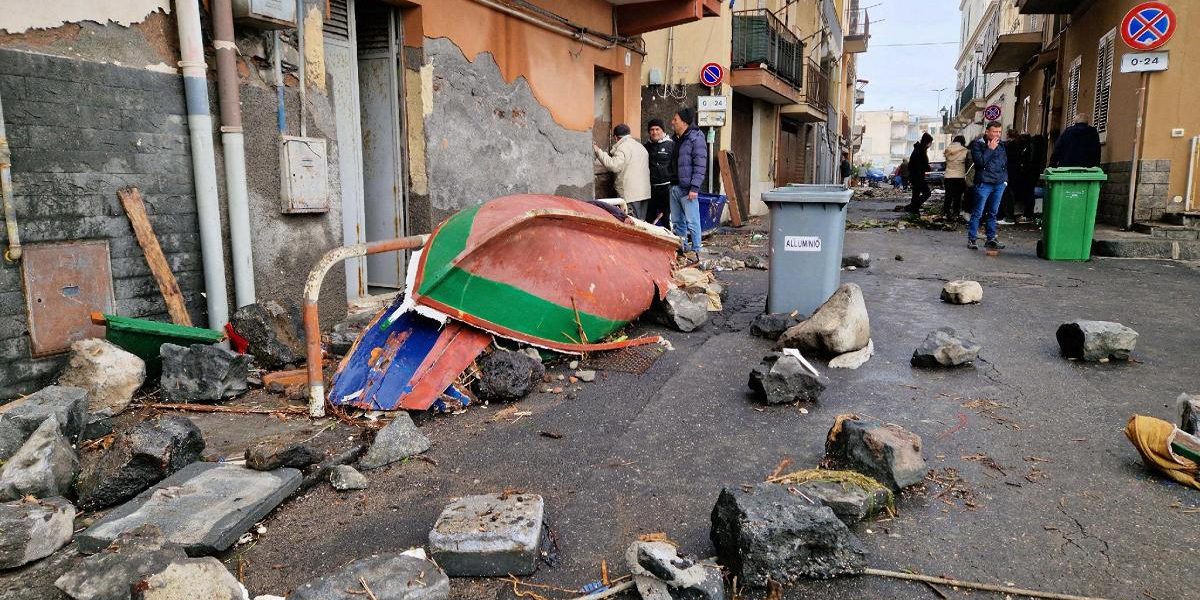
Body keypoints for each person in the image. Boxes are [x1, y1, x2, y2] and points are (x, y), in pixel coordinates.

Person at [668, 107, 707, 259]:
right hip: (674, 186)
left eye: (675, 120)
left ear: (684, 122)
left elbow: (700, 165)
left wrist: (694, 187)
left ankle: (696, 251)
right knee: (678, 222)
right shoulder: (676, 139)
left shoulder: (696, 138)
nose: (672, 122)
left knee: (692, 221)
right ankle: (682, 249)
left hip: (688, 188)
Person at [593, 123, 650, 220]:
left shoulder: (622, 148)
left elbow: (613, 166)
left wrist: (598, 151)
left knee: (632, 223)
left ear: (615, 137)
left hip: (630, 194)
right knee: (642, 222)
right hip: (644, 193)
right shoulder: (640, 147)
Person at [968, 121, 1008, 250]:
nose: (997, 134)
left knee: (993, 213)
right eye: (994, 132)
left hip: (999, 183)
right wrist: (990, 149)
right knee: (978, 212)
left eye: (999, 132)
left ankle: (991, 239)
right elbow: (980, 163)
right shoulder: (977, 145)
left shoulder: (1001, 145)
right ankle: (972, 239)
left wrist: (1005, 180)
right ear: (987, 132)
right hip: (984, 183)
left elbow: (1004, 164)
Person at [643, 118, 674, 226]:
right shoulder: (646, 147)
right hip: (650, 189)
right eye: (651, 129)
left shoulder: (671, 146)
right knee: (649, 219)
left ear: (663, 131)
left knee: (667, 219)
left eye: (657, 129)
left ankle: (671, 240)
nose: (654, 132)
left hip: (667, 188)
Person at [904, 132, 934, 214]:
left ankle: (913, 209)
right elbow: (920, 164)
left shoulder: (919, 149)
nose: (930, 144)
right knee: (927, 193)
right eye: (930, 142)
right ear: (927, 142)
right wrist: (927, 167)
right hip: (918, 176)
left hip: (915, 175)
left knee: (916, 193)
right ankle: (913, 206)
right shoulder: (920, 150)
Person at [942, 135, 970, 220]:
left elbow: (946, 162)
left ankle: (946, 213)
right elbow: (967, 163)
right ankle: (956, 213)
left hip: (948, 176)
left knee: (948, 196)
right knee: (957, 196)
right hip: (959, 176)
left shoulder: (947, 149)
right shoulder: (965, 150)